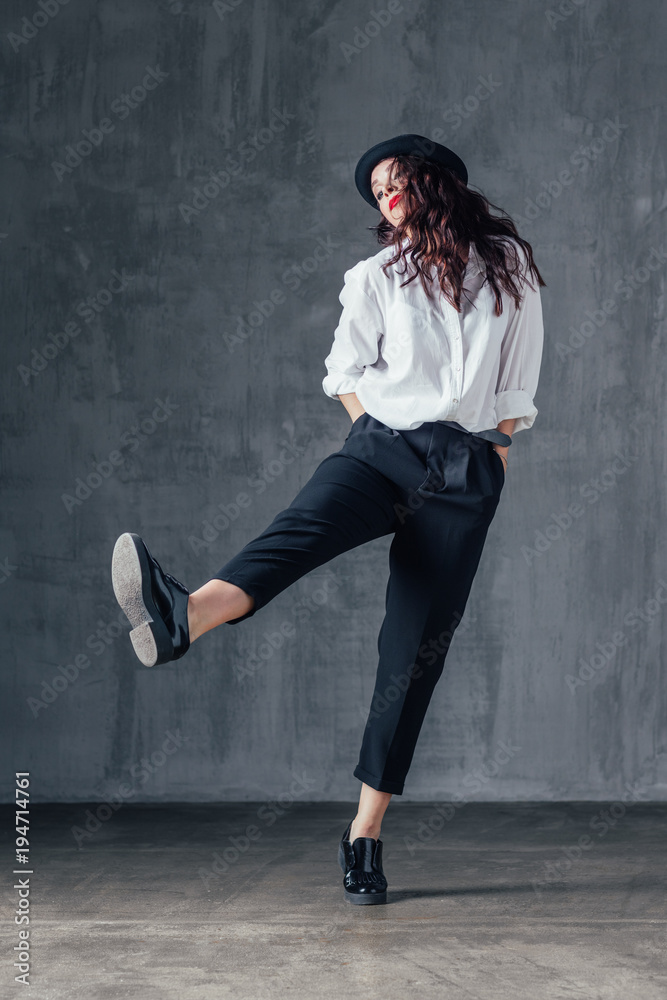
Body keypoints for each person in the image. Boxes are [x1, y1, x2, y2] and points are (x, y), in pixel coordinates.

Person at [111, 133, 545, 906]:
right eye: (374, 187)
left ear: (433, 179)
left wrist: (494, 462)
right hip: (381, 446)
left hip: (466, 468)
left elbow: (516, 383)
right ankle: (184, 615)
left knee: (411, 653)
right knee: (300, 529)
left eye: (394, 178)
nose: (384, 192)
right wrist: (371, 430)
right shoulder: (374, 276)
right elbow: (343, 372)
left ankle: (364, 835)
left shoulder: (507, 263)